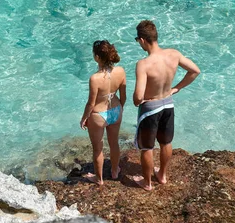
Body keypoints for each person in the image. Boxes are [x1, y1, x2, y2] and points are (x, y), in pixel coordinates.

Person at [131, 20, 200, 191]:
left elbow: (138, 97)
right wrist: (176, 88)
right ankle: (162, 175)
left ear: (142, 40)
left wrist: (137, 100)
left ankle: (146, 183)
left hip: (150, 110)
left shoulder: (143, 64)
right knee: (166, 142)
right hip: (168, 105)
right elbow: (195, 71)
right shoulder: (173, 54)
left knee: (147, 147)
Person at [80, 40, 127, 185]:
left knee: (98, 149)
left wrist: (84, 118)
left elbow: (91, 103)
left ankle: (98, 179)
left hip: (98, 116)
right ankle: (114, 171)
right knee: (114, 144)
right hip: (116, 111)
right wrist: (119, 109)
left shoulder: (95, 78)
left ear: (97, 57)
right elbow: (123, 96)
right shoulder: (120, 71)